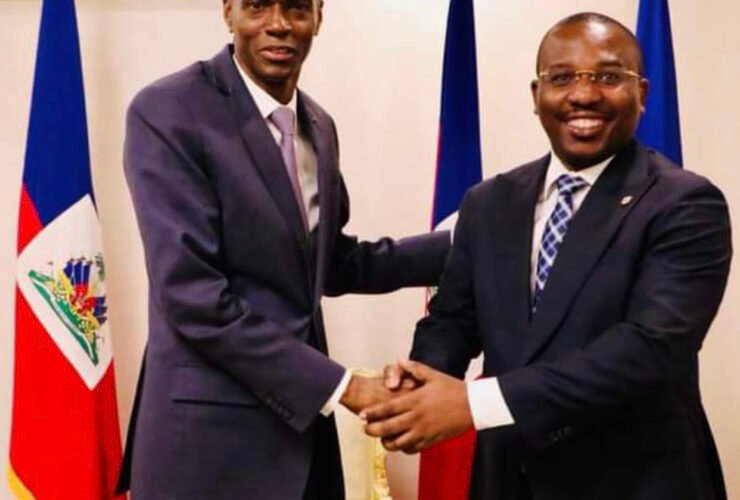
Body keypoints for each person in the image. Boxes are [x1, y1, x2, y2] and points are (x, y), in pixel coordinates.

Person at [363, 12, 732, 500]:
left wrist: (474, 402)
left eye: (607, 77)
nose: (584, 94)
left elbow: (649, 350)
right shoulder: (488, 202)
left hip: (635, 482)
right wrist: (423, 382)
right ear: (536, 95)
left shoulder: (685, 203)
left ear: (642, 92)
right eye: (562, 78)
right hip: (507, 480)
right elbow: (453, 319)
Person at [116, 1, 450, 498]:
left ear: (318, 15)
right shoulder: (168, 110)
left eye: (295, 8)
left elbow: (329, 264)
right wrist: (347, 387)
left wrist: (464, 245)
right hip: (207, 451)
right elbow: (192, 296)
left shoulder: (319, 124)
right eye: (257, 6)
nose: (278, 25)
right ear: (228, 11)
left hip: (303, 443)